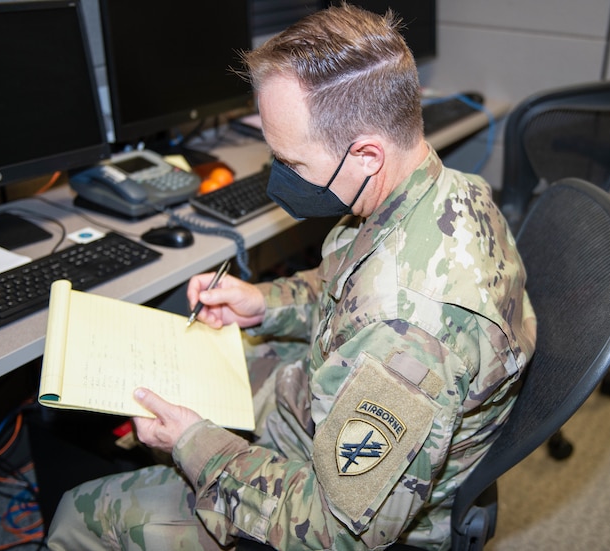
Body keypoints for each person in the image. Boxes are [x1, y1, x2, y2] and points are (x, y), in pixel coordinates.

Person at [46, 3, 536, 550]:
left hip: (341, 508)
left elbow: (335, 531)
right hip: (324, 393)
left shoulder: (409, 327)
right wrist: (262, 301)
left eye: (292, 163)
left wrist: (194, 444)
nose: (281, 176)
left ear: (367, 154)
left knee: (77, 513)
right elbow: (342, 287)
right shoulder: (442, 189)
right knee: (172, 375)